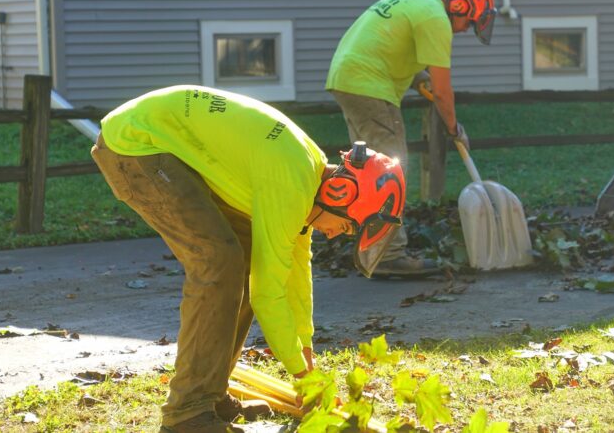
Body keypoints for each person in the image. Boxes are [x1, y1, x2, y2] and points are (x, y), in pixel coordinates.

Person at [90, 86, 405, 433]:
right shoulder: (291, 181)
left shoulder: (306, 178)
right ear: (340, 192)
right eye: (346, 226)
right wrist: (302, 377)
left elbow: (295, 278)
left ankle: (209, 395)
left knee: (243, 261)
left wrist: (308, 364)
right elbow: (268, 295)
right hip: (138, 143)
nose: (336, 234)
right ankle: (187, 415)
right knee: (218, 262)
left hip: (169, 143)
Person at [325, 0, 496, 278]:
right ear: (458, 6)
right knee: (389, 171)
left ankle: (368, 248)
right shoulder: (436, 20)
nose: (466, 29)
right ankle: (389, 255)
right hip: (369, 85)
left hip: (346, 78)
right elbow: (443, 92)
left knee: (366, 171)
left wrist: (418, 79)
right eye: (469, 22)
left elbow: (391, 46)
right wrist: (454, 128)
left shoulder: (419, 1)